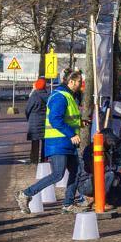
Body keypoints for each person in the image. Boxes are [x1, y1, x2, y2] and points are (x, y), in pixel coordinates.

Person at [18, 68, 85, 214]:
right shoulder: (60, 96)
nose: (81, 84)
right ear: (71, 81)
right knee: (58, 174)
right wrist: (71, 134)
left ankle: (67, 204)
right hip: (58, 143)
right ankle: (26, 194)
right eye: (79, 81)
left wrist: (80, 123)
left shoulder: (68, 95)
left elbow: (68, 118)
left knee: (76, 171)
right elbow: (55, 119)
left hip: (67, 143)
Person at [25, 79, 48, 163]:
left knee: (35, 142)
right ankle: (44, 158)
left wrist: (28, 117)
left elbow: (28, 109)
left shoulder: (34, 95)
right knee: (45, 142)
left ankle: (34, 159)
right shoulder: (48, 95)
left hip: (34, 121)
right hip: (45, 121)